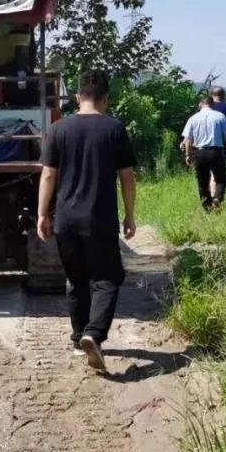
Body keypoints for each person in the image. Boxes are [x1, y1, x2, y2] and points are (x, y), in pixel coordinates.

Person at [37, 69, 136, 372]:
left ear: (77, 96)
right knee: (107, 279)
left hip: (66, 219)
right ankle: (93, 334)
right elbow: (127, 178)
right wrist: (130, 215)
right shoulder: (114, 129)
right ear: (106, 99)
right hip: (100, 218)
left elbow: (48, 174)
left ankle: (80, 336)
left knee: (76, 279)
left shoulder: (58, 129)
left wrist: (42, 214)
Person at [181, 97, 226, 211]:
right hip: (216, 152)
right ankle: (217, 199)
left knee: (202, 182)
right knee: (220, 179)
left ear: (201, 104)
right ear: (212, 105)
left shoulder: (193, 118)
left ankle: (207, 208)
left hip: (199, 153)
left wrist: (188, 154)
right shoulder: (220, 116)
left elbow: (188, 139)